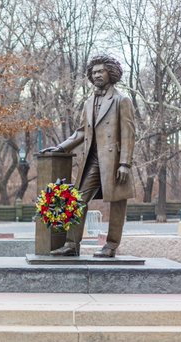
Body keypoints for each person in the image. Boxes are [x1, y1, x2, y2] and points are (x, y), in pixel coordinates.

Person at [40, 55, 135, 258]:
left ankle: (111, 246)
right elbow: (81, 132)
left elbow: (128, 133)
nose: (97, 75)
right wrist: (60, 148)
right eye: (94, 72)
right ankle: (72, 244)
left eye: (101, 71)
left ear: (111, 72)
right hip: (92, 159)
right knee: (79, 200)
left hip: (114, 160)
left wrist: (125, 163)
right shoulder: (89, 102)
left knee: (117, 203)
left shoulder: (121, 100)